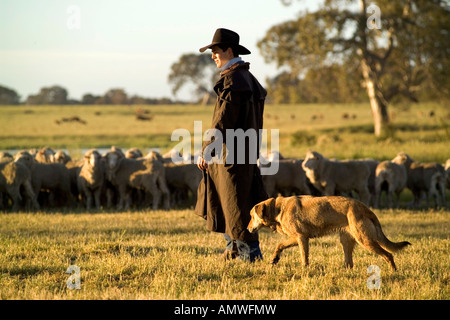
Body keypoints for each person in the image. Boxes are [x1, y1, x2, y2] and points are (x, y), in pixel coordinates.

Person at [195, 28, 268, 262]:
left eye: (216, 51)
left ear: (229, 50)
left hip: (232, 157)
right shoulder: (247, 78)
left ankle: (250, 257)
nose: (213, 56)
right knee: (233, 203)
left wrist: (207, 150)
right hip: (241, 155)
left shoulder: (234, 80)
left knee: (236, 205)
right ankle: (233, 250)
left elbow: (222, 120)